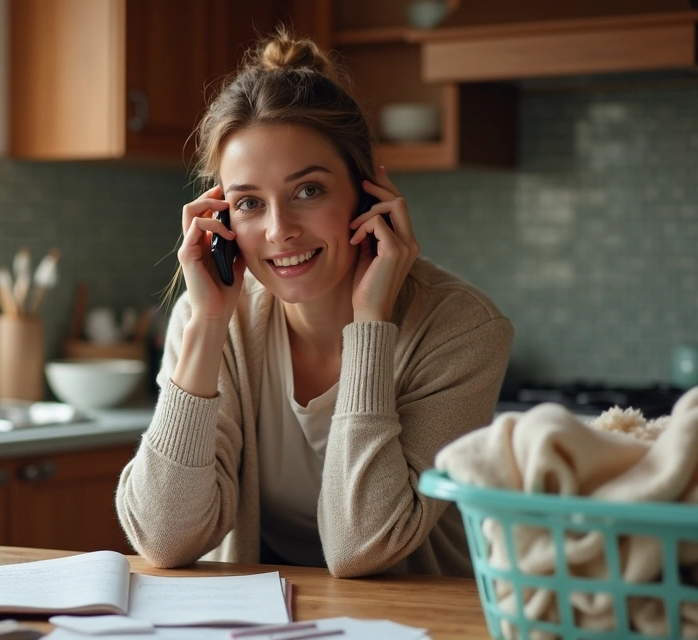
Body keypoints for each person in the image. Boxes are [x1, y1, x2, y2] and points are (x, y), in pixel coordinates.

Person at [114, 29, 513, 578]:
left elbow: (362, 547)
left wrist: (371, 324)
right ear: (224, 219)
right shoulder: (211, 322)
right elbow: (162, 538)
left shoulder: (462, 329)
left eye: (308, 191)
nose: (279, 231)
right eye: (250, 203)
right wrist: (207, 323)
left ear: (368, 189)